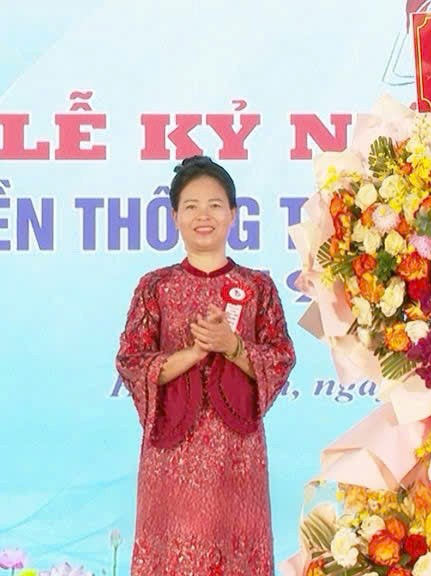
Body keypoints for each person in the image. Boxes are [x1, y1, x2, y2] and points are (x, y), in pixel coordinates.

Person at [116, 156, 295, 575]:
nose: (203, 216)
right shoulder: (155, 287)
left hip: (238, 454)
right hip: (172, 455)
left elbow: (281, 356)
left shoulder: (257, 287)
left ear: (233, 213)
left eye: (215, 205)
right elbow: (131, 361)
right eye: (191, 206)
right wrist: (193, 354)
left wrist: (232, 347)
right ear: (174, 217)